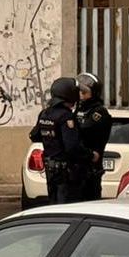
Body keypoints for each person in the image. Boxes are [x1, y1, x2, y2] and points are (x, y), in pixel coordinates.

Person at [30, 76, 90, 206]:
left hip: (51, 170)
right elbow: (72, 147)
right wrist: (90, 155)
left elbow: (34, 136)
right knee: (68, 206)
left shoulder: (45, 113)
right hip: (66, 172)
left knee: (54, 203)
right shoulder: (66, 116)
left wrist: (50, 138)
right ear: (70, 94)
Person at [73, 72, 112, 202]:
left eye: (84, 93)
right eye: (79, 92)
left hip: (90, 168)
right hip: (75, 168)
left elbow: (84, 130)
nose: (81, 96)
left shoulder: (98, 112)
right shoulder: (76, 109)